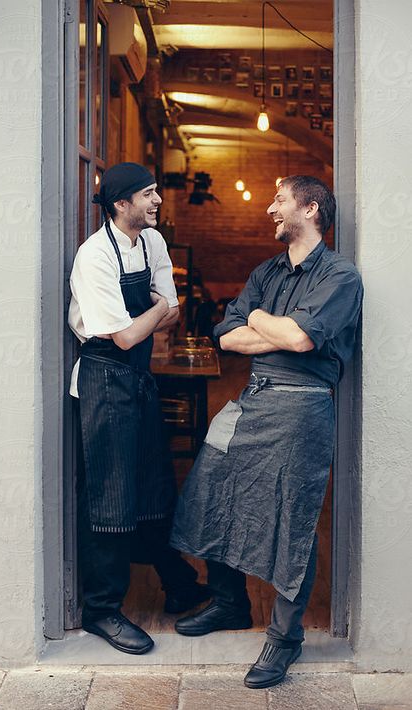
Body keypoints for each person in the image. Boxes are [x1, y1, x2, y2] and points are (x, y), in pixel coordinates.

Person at [170, 175, 363, 687]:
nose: (270, 210)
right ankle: (230, 601)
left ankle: (284, 639)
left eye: (279, 200)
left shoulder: (341, 276)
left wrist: (260, 318)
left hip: (302, 410)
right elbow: (228, 337)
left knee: (292, 520)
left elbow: (302, 339)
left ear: (311, 208)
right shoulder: (266, 271)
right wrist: (269, 328)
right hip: (251, 399)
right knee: (210, 489)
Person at [68, 162, 209, 655]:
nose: (157, 202)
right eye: (148, 194)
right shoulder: (94, 256)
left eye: (156, 193)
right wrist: (152, 311)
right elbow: (128, 334)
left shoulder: (153, 243)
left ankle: (177, 583)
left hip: (138, 379)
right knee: (110, 494)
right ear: (120, 204)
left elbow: (174, 312)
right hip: (104, 380)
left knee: (153, 483)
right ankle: (102, 610)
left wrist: (153, 314)